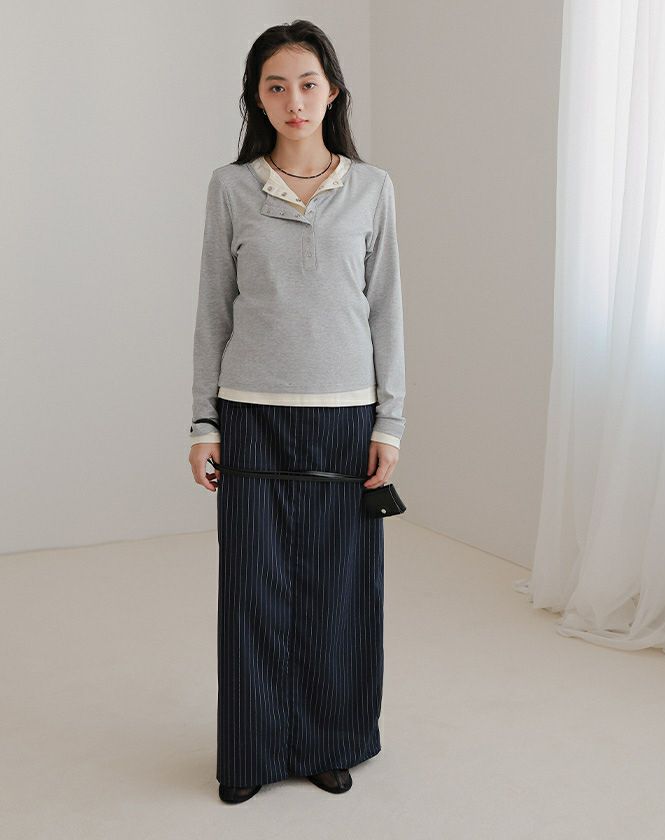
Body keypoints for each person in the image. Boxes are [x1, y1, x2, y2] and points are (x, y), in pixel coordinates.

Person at [188, 19, 406, 805]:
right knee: (254, 592)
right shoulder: (231, 188)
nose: (294, 100)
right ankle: (251, 752)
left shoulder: (373, 188)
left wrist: (389, 424)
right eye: (275, 85)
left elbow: (386, 313)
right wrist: (203, 423)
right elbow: (213, 312)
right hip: (251, 416)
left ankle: (328, 742)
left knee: (335, 592)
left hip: (343, 419)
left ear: (333, 92)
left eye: (308, 83)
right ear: (257, 97)